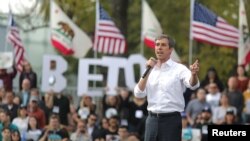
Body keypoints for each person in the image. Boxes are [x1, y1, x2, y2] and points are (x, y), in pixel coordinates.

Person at [134, 34, 200, 141]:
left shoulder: (179, 69)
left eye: (163, 45)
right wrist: (148, 70)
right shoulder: (150, 69)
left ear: (170, 50)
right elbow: (138, 93)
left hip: (171, 120)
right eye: (157, 45)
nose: (159, 48)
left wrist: (193, 74)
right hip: (152, 119)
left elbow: (193, 85)